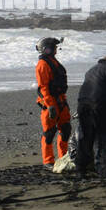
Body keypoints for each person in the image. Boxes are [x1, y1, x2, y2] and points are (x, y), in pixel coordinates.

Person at [34, 37, 71, 167]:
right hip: (50, 102)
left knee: (65, 129)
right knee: (49, 132)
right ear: (47, 49)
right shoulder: (43, 65)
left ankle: (63, 156)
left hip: (60, 100)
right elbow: (43, 87)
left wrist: (62, 102)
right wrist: (50, 106)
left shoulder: (53, 62)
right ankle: (48, 160)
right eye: (54, 47)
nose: (56, 49)